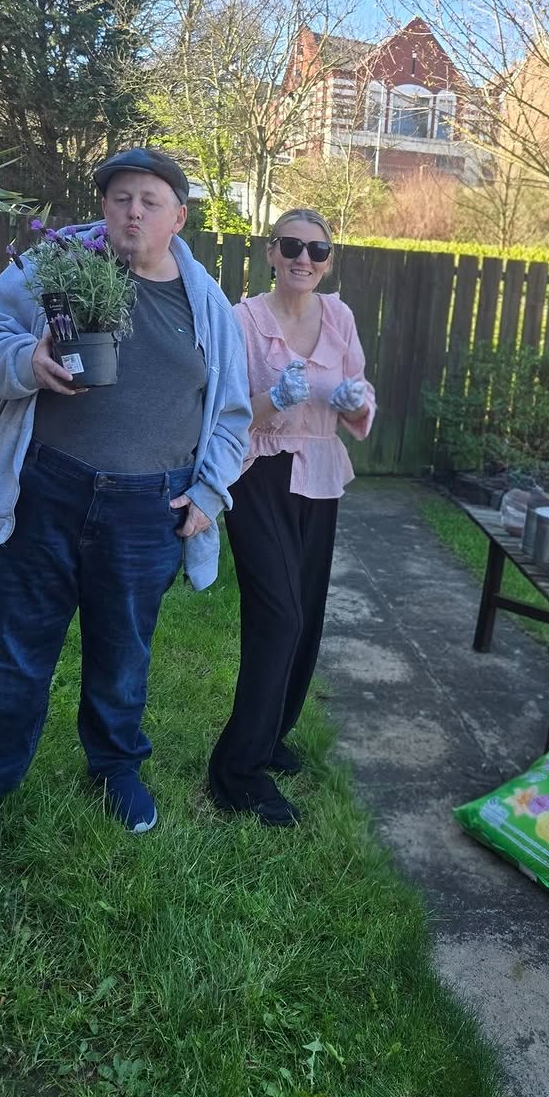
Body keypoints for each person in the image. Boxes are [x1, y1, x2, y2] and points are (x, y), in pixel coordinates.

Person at [0, 147, 251, 860]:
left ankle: (114, 768)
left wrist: (208, 493)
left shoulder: (207, 305)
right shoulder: (54, 267)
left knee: (122, 654)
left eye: (148, 200)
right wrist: (30, 363)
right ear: (103, 207)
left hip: (148, 510)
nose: (131, 211)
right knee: (12, 650)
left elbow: (232, 415)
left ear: (179, 216)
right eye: (119, 198)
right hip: (48, 489)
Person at [209, 208, 375, 826]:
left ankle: (274, 732)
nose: (304, 258)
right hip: (261, 474)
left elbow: (355, 391)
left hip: (321, 473)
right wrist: (273, 401)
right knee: (278, 616)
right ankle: (236, 771)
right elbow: (225, 410)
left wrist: (358, 403)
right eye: (292, 246)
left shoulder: (341, 316)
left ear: (329, 260)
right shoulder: (243, 320)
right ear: (271, 252)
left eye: (318, 249)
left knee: (306, 616)